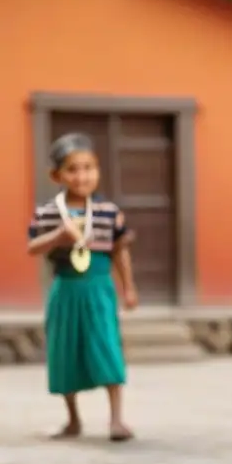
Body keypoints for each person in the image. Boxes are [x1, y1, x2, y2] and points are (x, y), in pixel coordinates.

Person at [27, 133, 138, 441]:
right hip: (66, 288)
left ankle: (116, 419)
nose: (82, 176)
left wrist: (128, 288)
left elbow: (120, 250)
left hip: (100, 288)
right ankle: (73, 419)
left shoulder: (109, 212)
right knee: (65, 350)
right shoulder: (48, 213)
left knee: (106, 345)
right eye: (73, 169)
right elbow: (32, 247)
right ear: (56, 175)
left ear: (98, 170)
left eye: (88, 167)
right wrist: (58, 236)